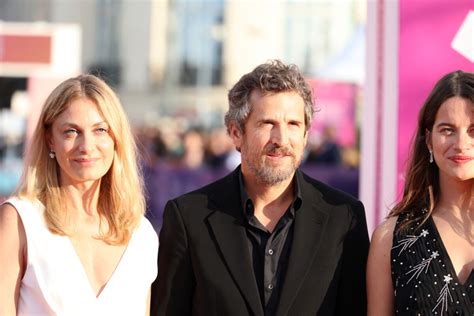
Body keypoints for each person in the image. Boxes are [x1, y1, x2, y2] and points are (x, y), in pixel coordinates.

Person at [151, 60, 370, 316]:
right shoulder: (189, 217)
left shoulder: (344, 218)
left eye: (293, 125)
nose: (281, 140)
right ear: (235, 133)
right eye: (267, 123)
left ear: (306, 136)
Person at [0, 75, 158, 315]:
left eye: (100, 130)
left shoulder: (140, 233)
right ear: (50, 139)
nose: (87, 146)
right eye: (72, 131)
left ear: (116, 139)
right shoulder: (20, 221)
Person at [367, 70, 474, 315]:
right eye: (447, 130)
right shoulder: (391, 238)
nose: (461, 143)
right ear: (428, 140)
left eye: (473, 130)